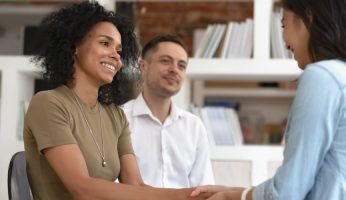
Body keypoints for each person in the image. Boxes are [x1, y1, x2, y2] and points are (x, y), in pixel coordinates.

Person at [191, 0, 346, 199]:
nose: (283, 38)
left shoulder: (324, 76)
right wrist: (240, 192)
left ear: (308, 17)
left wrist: (233, 196)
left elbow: (287, 192)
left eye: (284, 23)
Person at [23, 2, 210, 200]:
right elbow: (82, 188)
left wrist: (197, 195)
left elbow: (136, 185)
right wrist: (185, 196)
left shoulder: (115, 115)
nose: (115, 56)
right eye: (105, 43)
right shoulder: (48, 103)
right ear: (74, 47)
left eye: (119, 51)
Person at [122, 34, 214, 188]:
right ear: (143, 66)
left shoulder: (194, 126)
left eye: (181, 66)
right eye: (166, 61)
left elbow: (203, 188)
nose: (174, 70)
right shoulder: (120, 119)